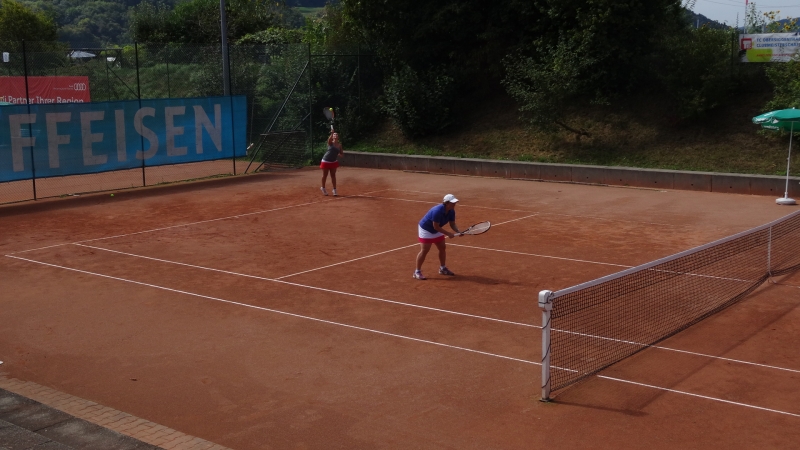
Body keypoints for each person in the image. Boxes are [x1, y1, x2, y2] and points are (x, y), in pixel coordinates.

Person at [414, 194, 462, 280]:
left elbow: (452, 224)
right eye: (452, 203)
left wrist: (458, 231)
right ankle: (417, 272)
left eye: (455, 202)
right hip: (426, 229)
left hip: (437, 229)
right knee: (425, 250)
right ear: (446, 203)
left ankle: (442, 268)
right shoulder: (437, 211)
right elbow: (435, 226)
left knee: (442, 247)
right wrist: (448, 234)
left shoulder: (451, 211)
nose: (454, 204)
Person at [320, 131, 344, 196]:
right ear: (332, 137)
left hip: (333, 161)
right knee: (325, 175)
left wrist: (340, 155)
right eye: (334, 135)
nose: (335, 135)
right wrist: (331, 133)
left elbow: (342, 153)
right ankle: (323, 188)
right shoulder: (330, 143)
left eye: (336, 135)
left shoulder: (339, 145)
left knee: (333, 175)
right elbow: (329, 139)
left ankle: (334, 190)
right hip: (326, 160)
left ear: (338, 137)